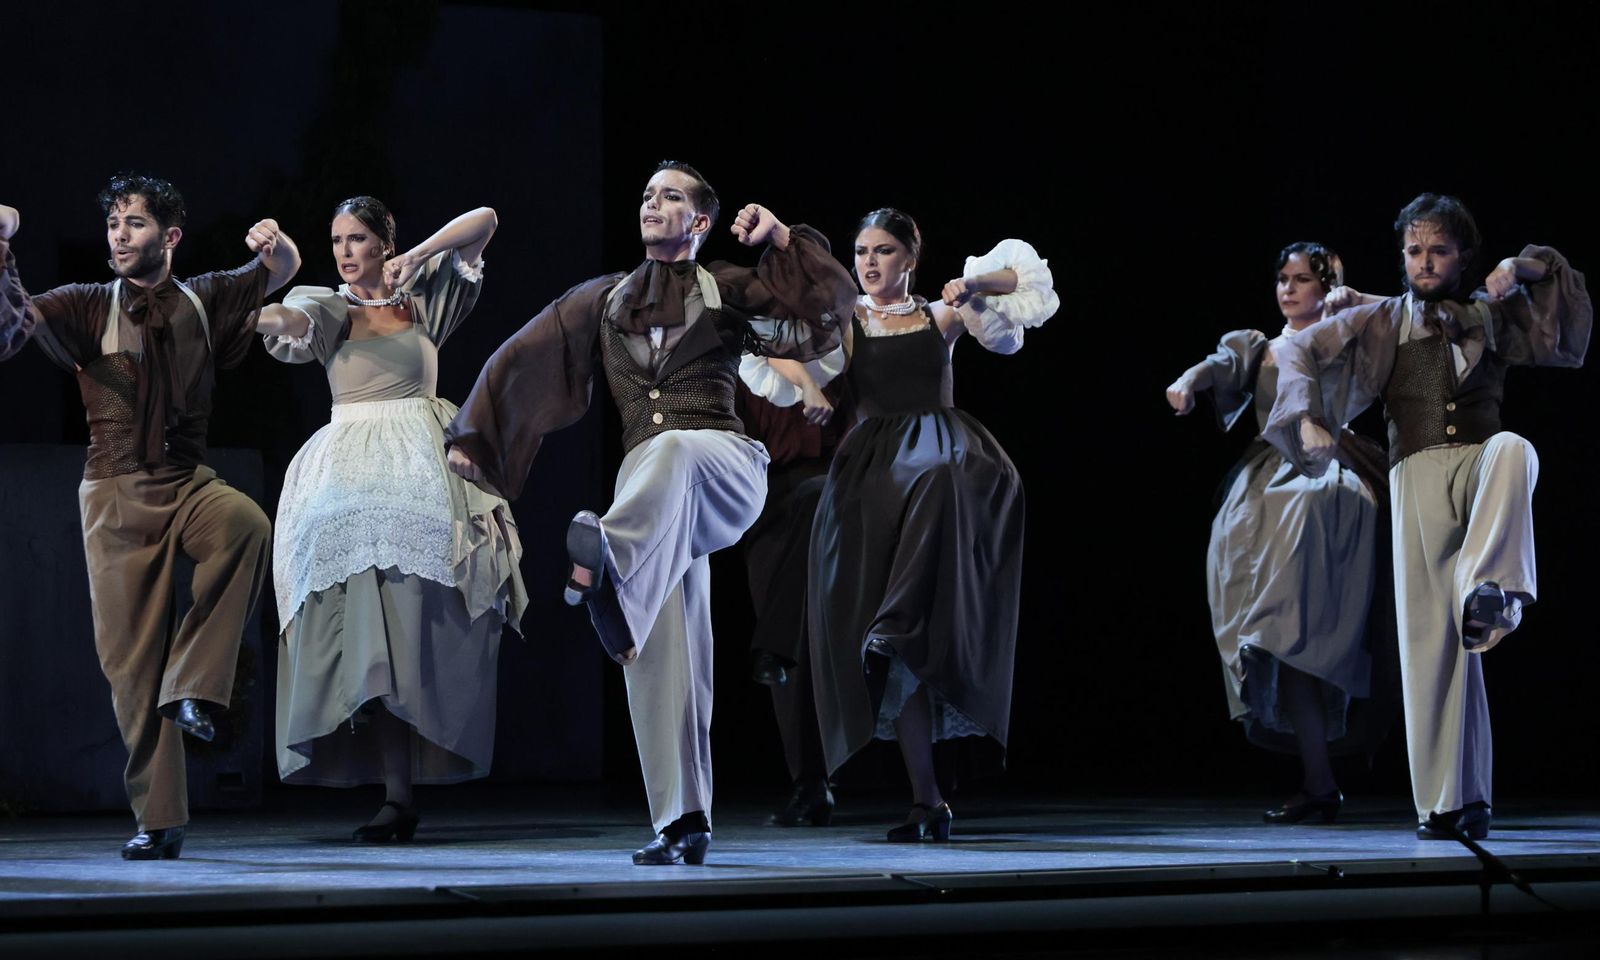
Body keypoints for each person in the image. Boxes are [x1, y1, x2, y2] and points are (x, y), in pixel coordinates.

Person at [443, 161, 855, 863]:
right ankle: (681, 819)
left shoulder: (727, 288)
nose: (652, 204)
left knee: (671, 455)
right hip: (652, 496)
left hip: (723, 466)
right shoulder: (605, 301)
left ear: (699, 221)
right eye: (646, 195)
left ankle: (609, 560)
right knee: (665, 646)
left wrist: (782, 237)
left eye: (671, 197)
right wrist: (476, 435)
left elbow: (825, 312)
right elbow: (523, 354)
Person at [1264, 194, 1592, 840]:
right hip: (1413, 475)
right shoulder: (1382, 318)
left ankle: (1491, 588)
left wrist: (1522, 268)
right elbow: (1297, 347)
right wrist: (1305, 416)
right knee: (1433, 648)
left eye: (1438, 250)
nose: (1424, 261)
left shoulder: (1493, 315)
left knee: (1516, 450)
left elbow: (1569, 332)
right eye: (1414, 250)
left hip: (1477, 468)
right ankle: (1450, 804)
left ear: (1463, 256)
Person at [0, 174, 300, 859]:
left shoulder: (207, 298)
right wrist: (3, 246)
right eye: (112, 225)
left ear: (169, 236)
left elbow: (279, 271)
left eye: (133, 224)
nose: (118, 236)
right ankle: (160, 819)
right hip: (113, 497)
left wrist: (274, 244)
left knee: (245, 522)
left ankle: (197, 687)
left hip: (186, 482)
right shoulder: (84, 304)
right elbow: (10, 328)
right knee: (132, 669)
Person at [749, 208, 1056, 841]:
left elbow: (1024, 281)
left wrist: (971, 287)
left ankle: (898, 623)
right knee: (902, 659)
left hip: (940, 460)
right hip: (873, 474)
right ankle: (927, 799)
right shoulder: (848, 322)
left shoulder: (939, 316)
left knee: (939, 482)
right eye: (861, 250)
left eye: (883, 251)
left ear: (910, 257)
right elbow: (770, 349)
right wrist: (808, 384)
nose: (868, 262)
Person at [259, 198, 527, 842]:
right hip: (349, 468)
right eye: (336, 240)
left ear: (384, 242)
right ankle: (393, 793)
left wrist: (421, 253)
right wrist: (273, 272)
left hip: (421, 469)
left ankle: (409, 779)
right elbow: (273, 319)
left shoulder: (423, 297)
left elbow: (486, 219)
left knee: (418, 627)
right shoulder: (329, 306)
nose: (347, 251)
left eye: (358, 239)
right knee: (363, 634)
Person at [1166, 242, 1384, 824]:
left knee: (1293, 633)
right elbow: (1221, 363)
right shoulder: (1262, 346)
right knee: (1278, 645)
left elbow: (1398, 327)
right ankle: (1319, 782)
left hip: (1323, 481)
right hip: (1265, 487)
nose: (1288, 290)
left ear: (1329, 285)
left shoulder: (1350, 339)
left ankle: (1330, 774)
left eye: (1302, 280)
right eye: (1281, 279)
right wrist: (1189, 381)